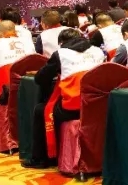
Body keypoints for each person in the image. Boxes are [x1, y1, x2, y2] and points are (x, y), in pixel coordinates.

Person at [38, 27, 105, 158]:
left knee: (40, 110)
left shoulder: (60, 54)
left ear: (62, 43)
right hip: (98, 105)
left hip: (74, 108)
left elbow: (40, 78)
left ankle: (44, 158)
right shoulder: (98, 51)